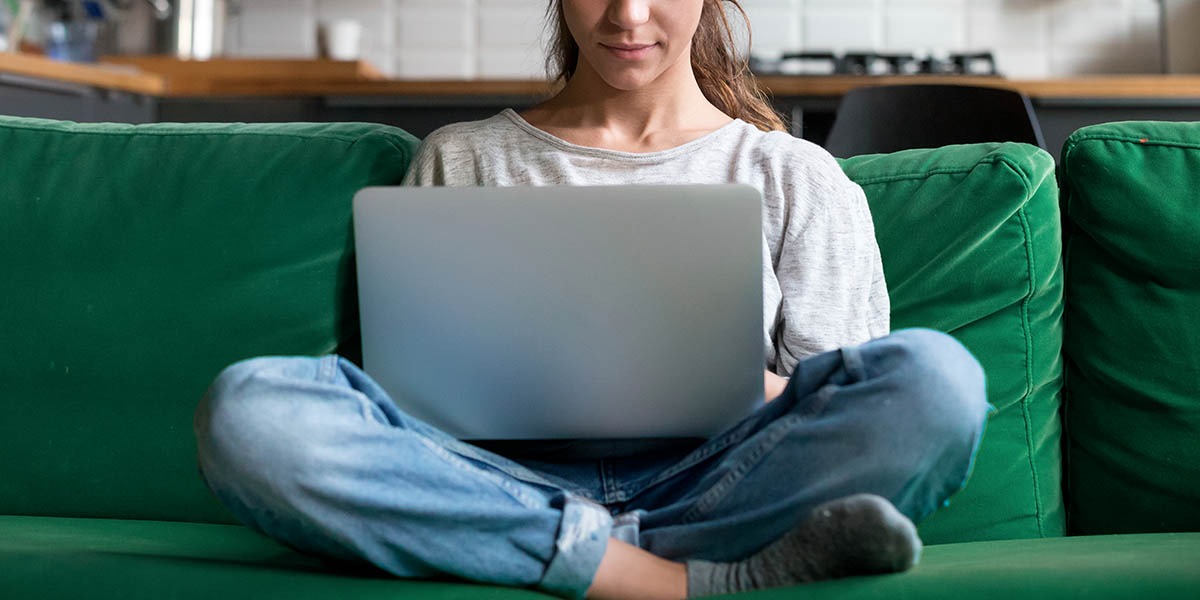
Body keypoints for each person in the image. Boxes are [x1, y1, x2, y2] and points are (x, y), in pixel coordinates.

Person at [193, 1, 990, 598]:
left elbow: (833, 401)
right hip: (491, 481)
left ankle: (546, 554)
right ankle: (673, 580)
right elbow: (403, 402)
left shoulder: (795, 175)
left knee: (938, 381)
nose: (628, 16)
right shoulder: (462, 159)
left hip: (717, 485)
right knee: (252, 410)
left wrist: (711, 378)